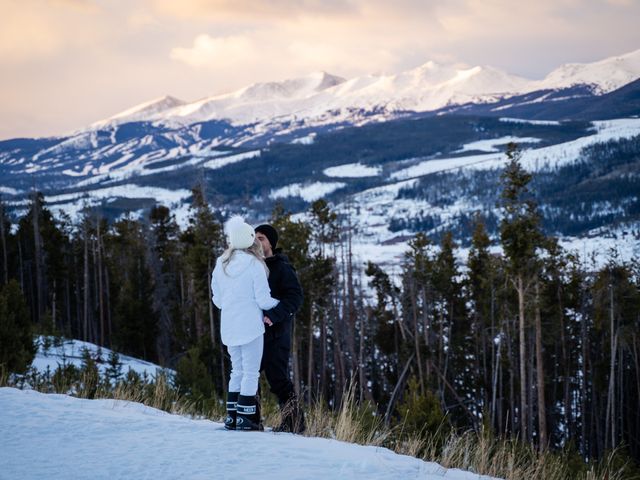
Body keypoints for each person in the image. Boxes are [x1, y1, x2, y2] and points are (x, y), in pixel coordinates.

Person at [211, 216, 279, 431]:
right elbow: (263, 300)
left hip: (229, 327)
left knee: (236, 371)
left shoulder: (221, 263)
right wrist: (281, 304)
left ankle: (232, 417)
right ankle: (246, 418)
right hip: (250, 327)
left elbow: (218, 300)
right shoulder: (255, 265)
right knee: (251, 372)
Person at [254, 223, 305, 433]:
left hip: (277, 334)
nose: (257, 241)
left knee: (278, 379)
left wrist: (273, 316)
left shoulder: (282, 267)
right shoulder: (251, 266)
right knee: (249, 375)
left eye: (262, 238)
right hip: (254, 333)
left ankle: (294, 424)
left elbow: (295, 297)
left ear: (271, 244)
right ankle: (251, 419)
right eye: (255, 237)